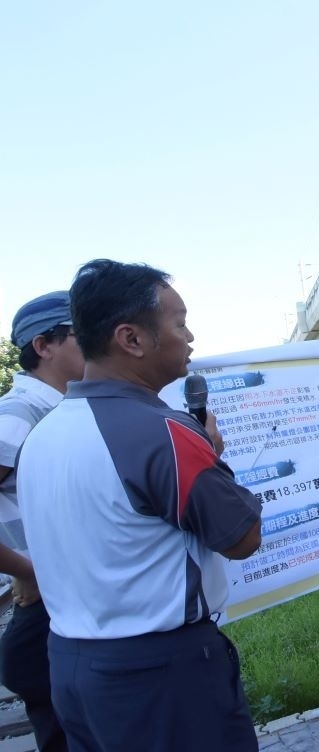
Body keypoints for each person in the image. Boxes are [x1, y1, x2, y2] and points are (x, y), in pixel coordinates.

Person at [17, 260, 263, 752]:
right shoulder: (164, 432)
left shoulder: (42, 435)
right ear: (131, 339)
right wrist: (210, 452)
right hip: (163, 675)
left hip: (70, 663)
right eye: (179, 322)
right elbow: (241, 538)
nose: (190, 336)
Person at [0, 292, 84, 752]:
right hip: (46, 604)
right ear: (43, 345)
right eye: (80, 335)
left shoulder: (61, 408)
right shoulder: (19, 415)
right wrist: (26, 569)